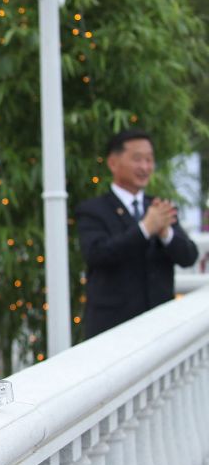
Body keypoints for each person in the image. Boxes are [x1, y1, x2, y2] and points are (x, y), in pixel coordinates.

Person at [75, 129, 199, 338]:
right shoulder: (93, 209)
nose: (145, 167)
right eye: (137, 159)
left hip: (159, 326)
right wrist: (144, 229)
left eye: (149, 160)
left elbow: (189, 256)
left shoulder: (158, 207)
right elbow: (97, 254)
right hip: (113, 329)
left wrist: (166, 233)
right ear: (113, 163)